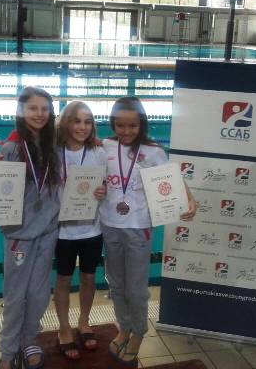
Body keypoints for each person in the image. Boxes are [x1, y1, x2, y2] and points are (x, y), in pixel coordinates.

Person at [100, 97, 197, 365]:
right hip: (110, 224)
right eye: (120, 125)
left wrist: (190, 199)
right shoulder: (105, 146)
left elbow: (173, 180)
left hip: (139, 226)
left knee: (136, 288)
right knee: (116, 284)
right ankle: (124, 328)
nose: (126, 131)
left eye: (132, 126)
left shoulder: (153, 151)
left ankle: (139, 333)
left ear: (141, 124)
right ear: (113, 124)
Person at [0, 86, 61, 369]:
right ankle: (8, 351)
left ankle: (28, 340)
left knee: (38, 293)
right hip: (18, 235)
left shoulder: (54, 148)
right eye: (33, 108)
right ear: (22, 112)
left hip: (48, 231)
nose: (39, 114)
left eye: (44, 109)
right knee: (15, 295)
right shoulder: (11, 149)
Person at [54, 101, 107, 360]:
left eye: (87, 122)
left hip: (91, 229)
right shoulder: (53, 152)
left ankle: (84, 321)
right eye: (76, 121)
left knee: (88, 277)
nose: (82, 127)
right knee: (63, 280)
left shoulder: (98, 152)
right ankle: (64, 327)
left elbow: (110, 183)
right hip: (62, 231)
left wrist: (104, 190)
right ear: (66, 123)